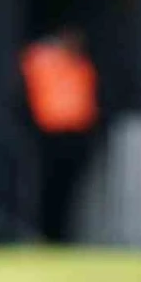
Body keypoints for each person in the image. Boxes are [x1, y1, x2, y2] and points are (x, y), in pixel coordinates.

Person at [20, 27, 99, 243]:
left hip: (74, 135)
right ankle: (44, 233)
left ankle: (58, 234)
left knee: (66, 190)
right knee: (47, 187)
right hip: (49, 133)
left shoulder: (80, 66)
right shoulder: (43, 59)